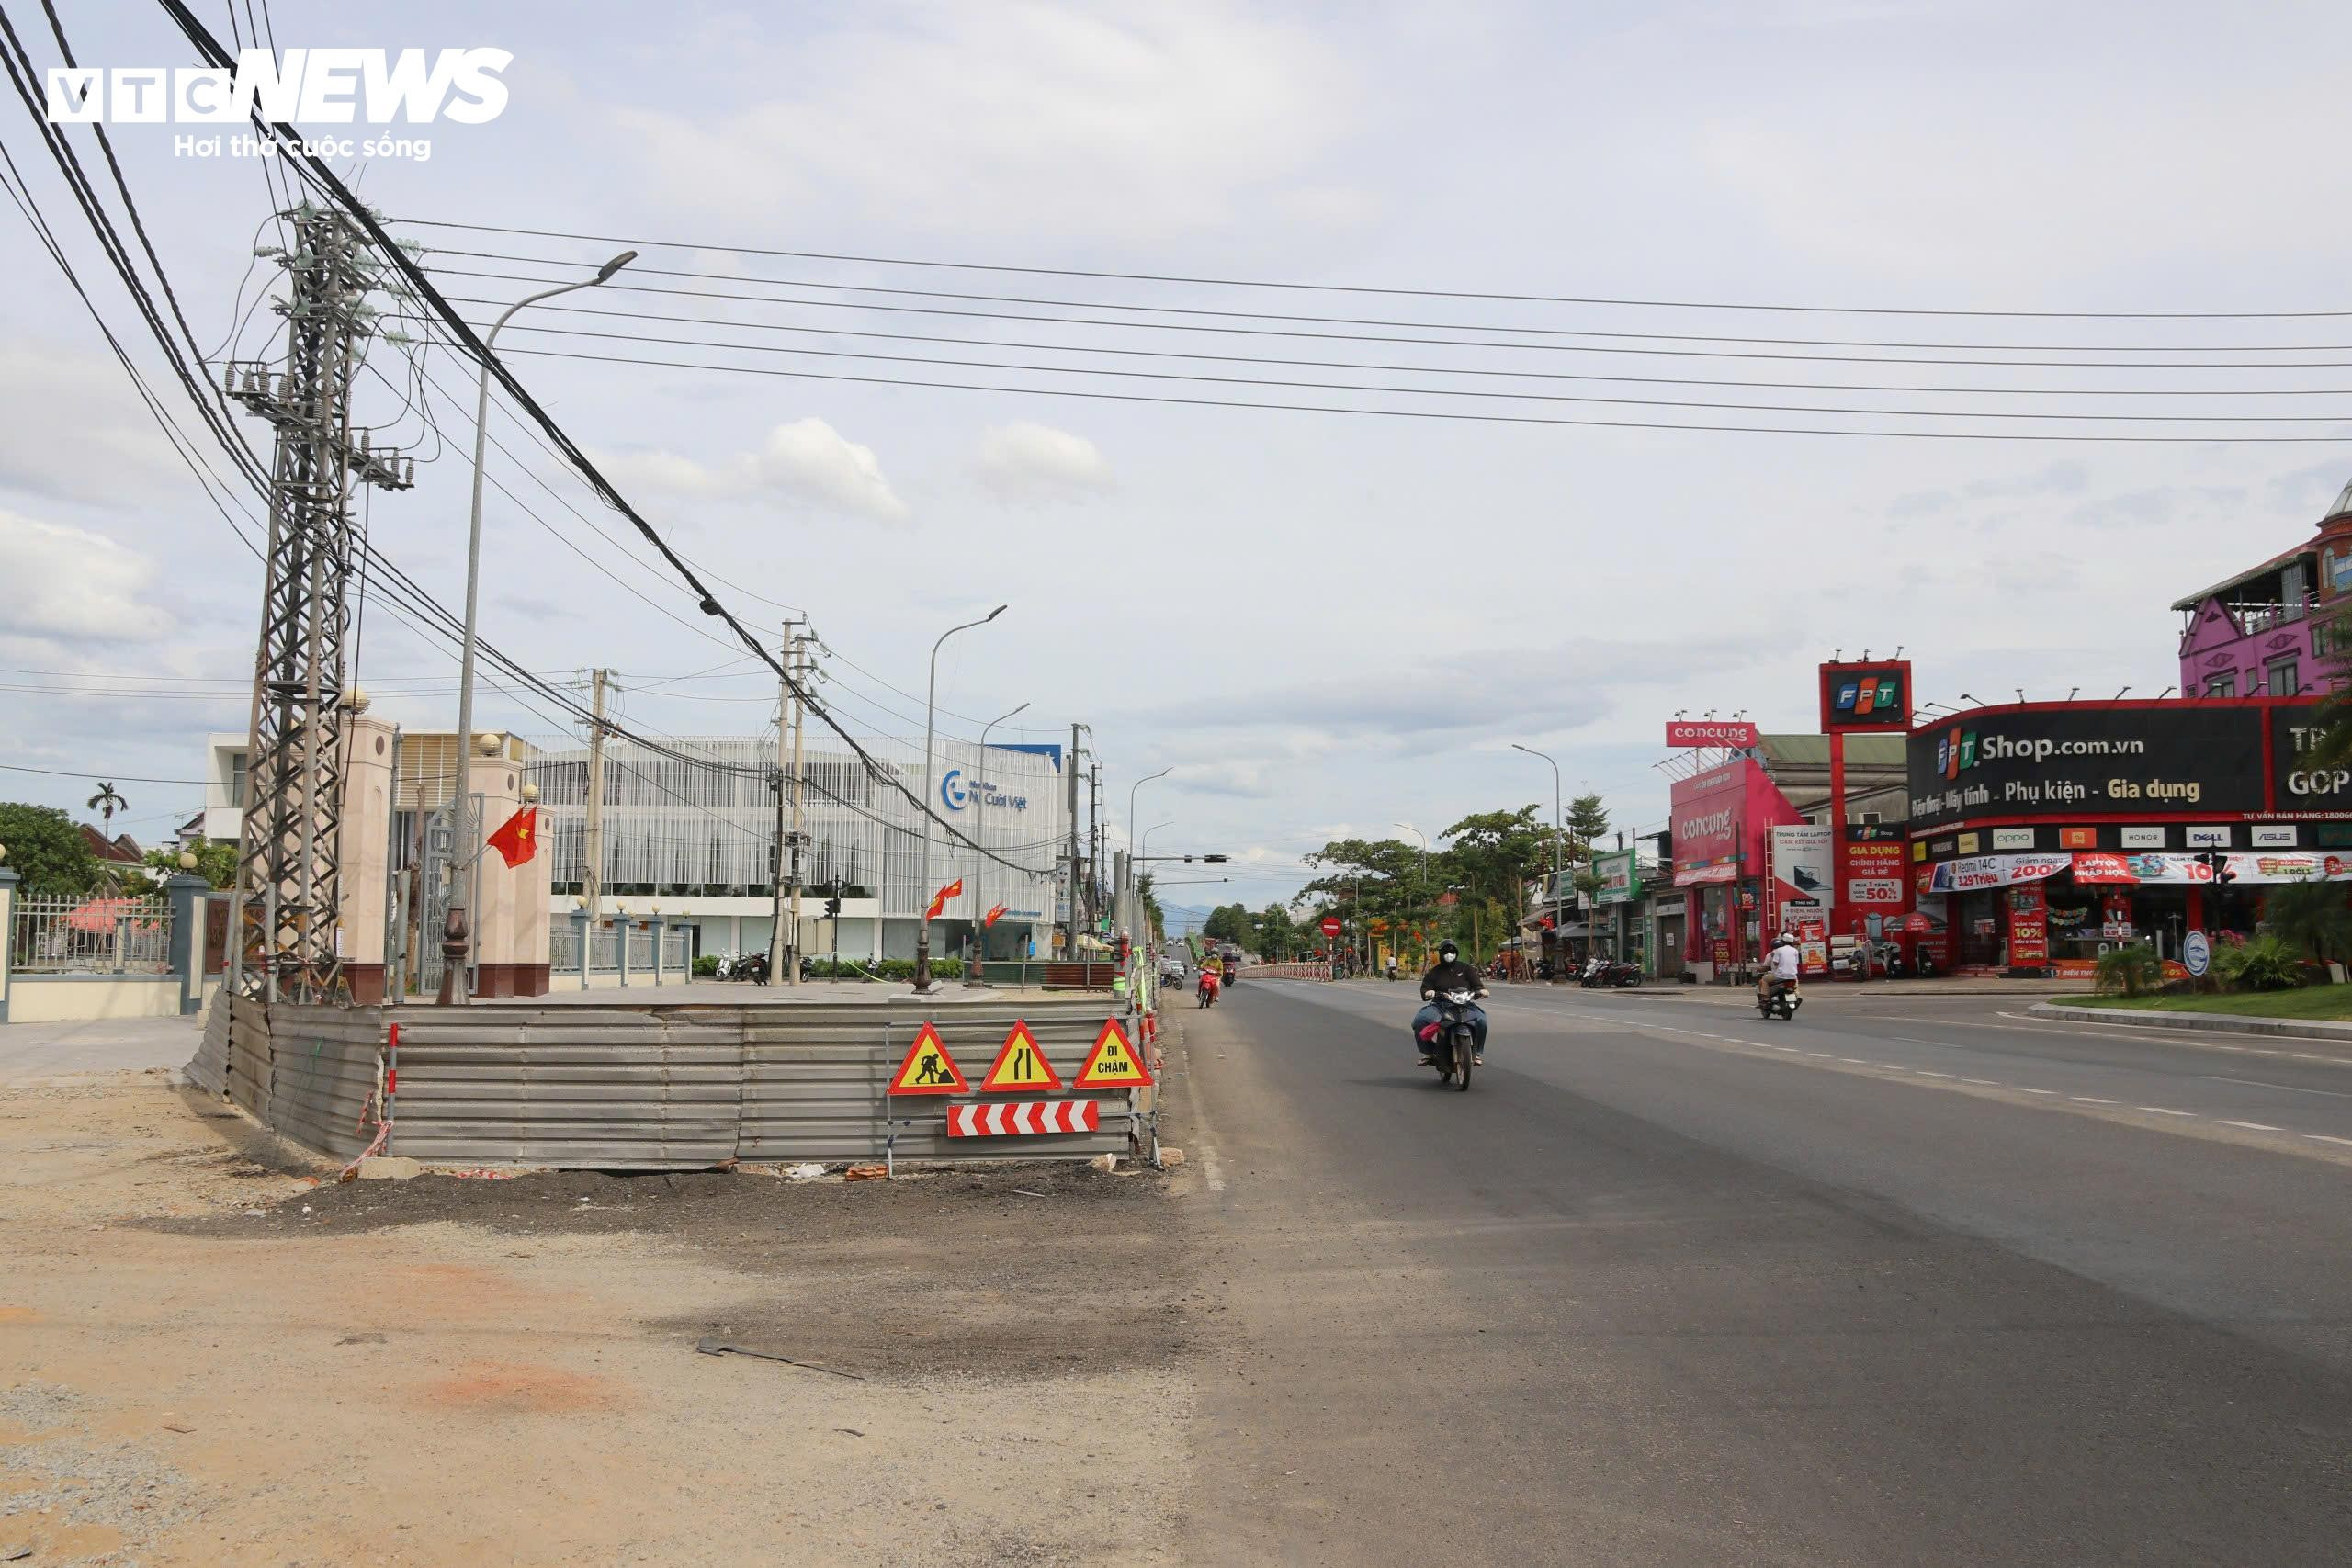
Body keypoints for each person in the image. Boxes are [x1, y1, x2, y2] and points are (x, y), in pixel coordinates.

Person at [1411, 940, 1491, 1066]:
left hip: (1466, 1005)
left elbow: (1478, 986)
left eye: (1452, 951)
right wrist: (1429, 992)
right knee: (1420, 1020)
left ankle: (1477, 1053)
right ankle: (1428, 1053)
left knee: (1482, 1020)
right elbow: (1425, 990)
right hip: (1440, 1006)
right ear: (1441, 954)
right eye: (1446, 952)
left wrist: (1482, 991)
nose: (1449, 954)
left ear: (1456, 953)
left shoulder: (1466, 969)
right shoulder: (1434, 972)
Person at [1759, 931, 1801, 1004]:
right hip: (1792, 976)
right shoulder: (1795, 951)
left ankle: (1765, 998)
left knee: (1764, 979)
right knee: (1795, 981)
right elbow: (1796, 962)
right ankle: (1797, 995)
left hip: (1780, 976)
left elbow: (1775, 963)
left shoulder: (1778, 951)